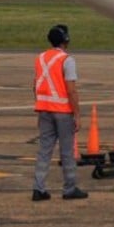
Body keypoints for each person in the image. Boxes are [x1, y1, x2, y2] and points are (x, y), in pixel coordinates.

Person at [32, 24, 88, 201]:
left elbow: (35, 85)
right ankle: (69, 188)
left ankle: (38, 188)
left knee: (44, 150)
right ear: (66, 40)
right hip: (63, 111)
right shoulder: (66, 60)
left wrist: (40, 107)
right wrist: (77, 114)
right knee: (67, 151)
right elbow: (71, 90)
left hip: (44, 109)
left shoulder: (40, 58)